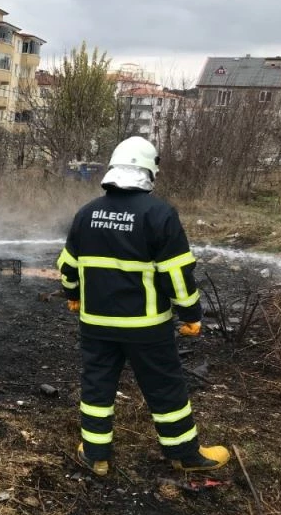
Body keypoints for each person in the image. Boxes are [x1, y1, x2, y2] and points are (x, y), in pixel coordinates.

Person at [57, 136, 230, 476]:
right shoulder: (159, 214)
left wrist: (72, 295)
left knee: (97, 385)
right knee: (164, 386)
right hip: (145, 326)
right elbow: (177, 276)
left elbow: (67, 265)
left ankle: (96, 456)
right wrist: (191, 315)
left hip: (96, 324)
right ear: (149, 173)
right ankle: (184, 455)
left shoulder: (87, 213)